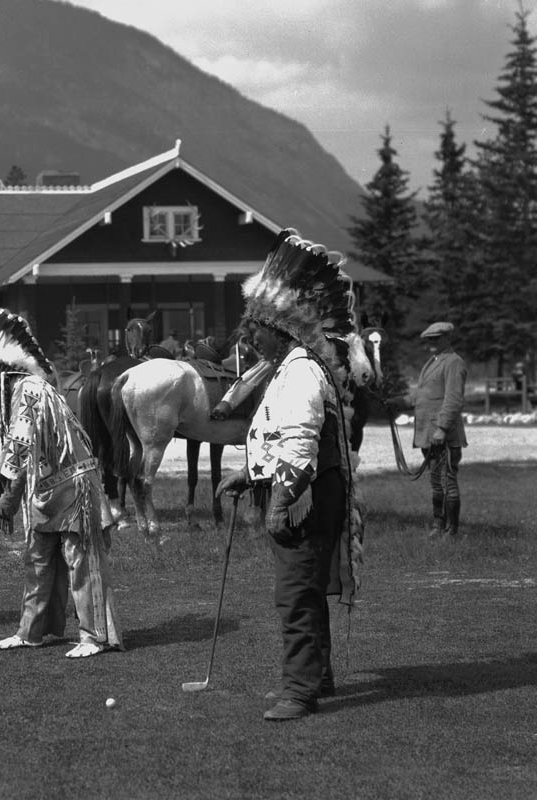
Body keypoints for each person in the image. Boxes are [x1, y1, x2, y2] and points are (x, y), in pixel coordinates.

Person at [215, 229, 360, 721]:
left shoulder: (298, 369)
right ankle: (318, 676)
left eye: (256, 327)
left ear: (281, 328)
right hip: (307, 486)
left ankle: (299, 691)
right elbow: (280, 440)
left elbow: (298, 444)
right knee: (307, 588)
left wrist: (279, 501)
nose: (249, 337)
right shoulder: (289, 366)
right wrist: (249, 474)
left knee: (295, 593)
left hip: (305, 494)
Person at [0, 308, 123, 658]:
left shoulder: (31, 389)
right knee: (38, 558)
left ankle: (96, 636)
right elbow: (17, 448)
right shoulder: (21, 394)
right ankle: (33, 630)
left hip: (74, 484)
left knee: (82, 559)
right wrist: (1, 484)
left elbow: (21, 444)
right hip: (44, 486)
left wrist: (5, 495)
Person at [412, 321, 468, 538]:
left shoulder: (454, 362)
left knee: (448, 481)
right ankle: (438, 525)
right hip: (428, 434)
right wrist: (394, 401)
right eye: (429, 340)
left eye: (436, 339)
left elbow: (453, 399)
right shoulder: (431, 362)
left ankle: (452, 531)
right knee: (436, 482)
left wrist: (442, 428)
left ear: (447, 338)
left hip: (443, 435)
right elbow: (422, 395)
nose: (431, 344)